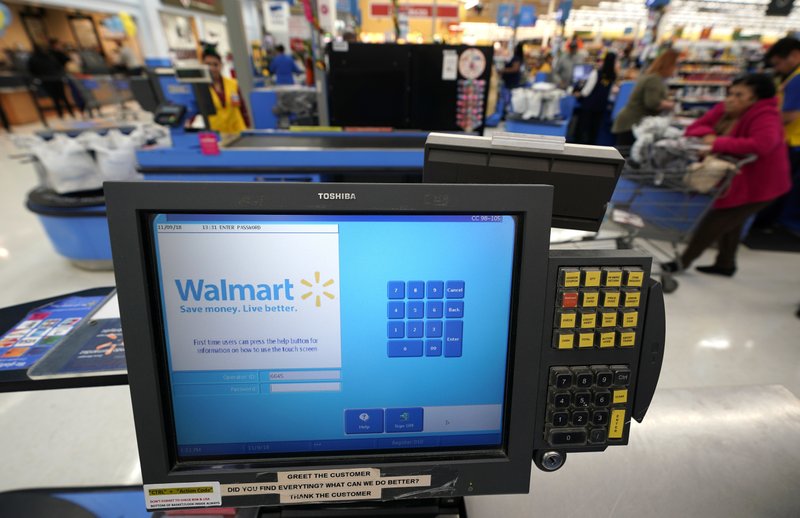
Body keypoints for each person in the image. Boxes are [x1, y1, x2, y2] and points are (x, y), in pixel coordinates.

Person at [661, 74, 792, 277]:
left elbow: (762, 145)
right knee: (732, 221)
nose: (731, 98)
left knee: (717, 219)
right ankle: (725, 264)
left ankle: (681, 262)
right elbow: (694, 128)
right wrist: (708, 136)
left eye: (740, 95)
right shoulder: (727, 109)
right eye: (731, 93)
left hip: (762, 182)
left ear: (755, 98)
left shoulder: (766, 115)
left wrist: (716, 143)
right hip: (739, 177)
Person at [755, 37, 800, 229]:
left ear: (795, 55)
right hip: (793, 140)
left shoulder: (797, 79)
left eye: (779, 63)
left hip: (793, 141)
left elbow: (789, 115)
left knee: (780, 186)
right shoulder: (792, 77)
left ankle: (773, 223)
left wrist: (759, 123)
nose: (778, 68)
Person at [611, 48, 678, 146]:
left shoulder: (653, 77)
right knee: (626, 156)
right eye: (675, 66)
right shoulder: (654, 80)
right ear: (669, 66)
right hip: (631, 124)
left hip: (631, 123)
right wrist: (670, 105)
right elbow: (652, 103)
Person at [573, 52, 617, 145]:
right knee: (594, 131)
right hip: (601, 107)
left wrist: (578, 93)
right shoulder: (612, 76)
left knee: (582, 129)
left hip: (589, 106)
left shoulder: (596, 73)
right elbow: (609, 93)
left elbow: (586, 91)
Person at [202, 47, 249, 134]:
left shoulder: (233, 83)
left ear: (221, 65)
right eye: (208, 65)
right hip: (216, 134)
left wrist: (248, 127)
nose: (211, 68)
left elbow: (242, 108)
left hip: (238, 131)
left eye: (215, 65)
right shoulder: (200, 88)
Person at [28, 43, 74, 119]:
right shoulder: (49, 56)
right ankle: (70, 112)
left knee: (55, 98)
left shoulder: (33, 58)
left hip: (46, 80)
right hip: (57, 78)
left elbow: (32, 71)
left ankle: (60, 114)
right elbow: (59, 65)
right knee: (63, 97)